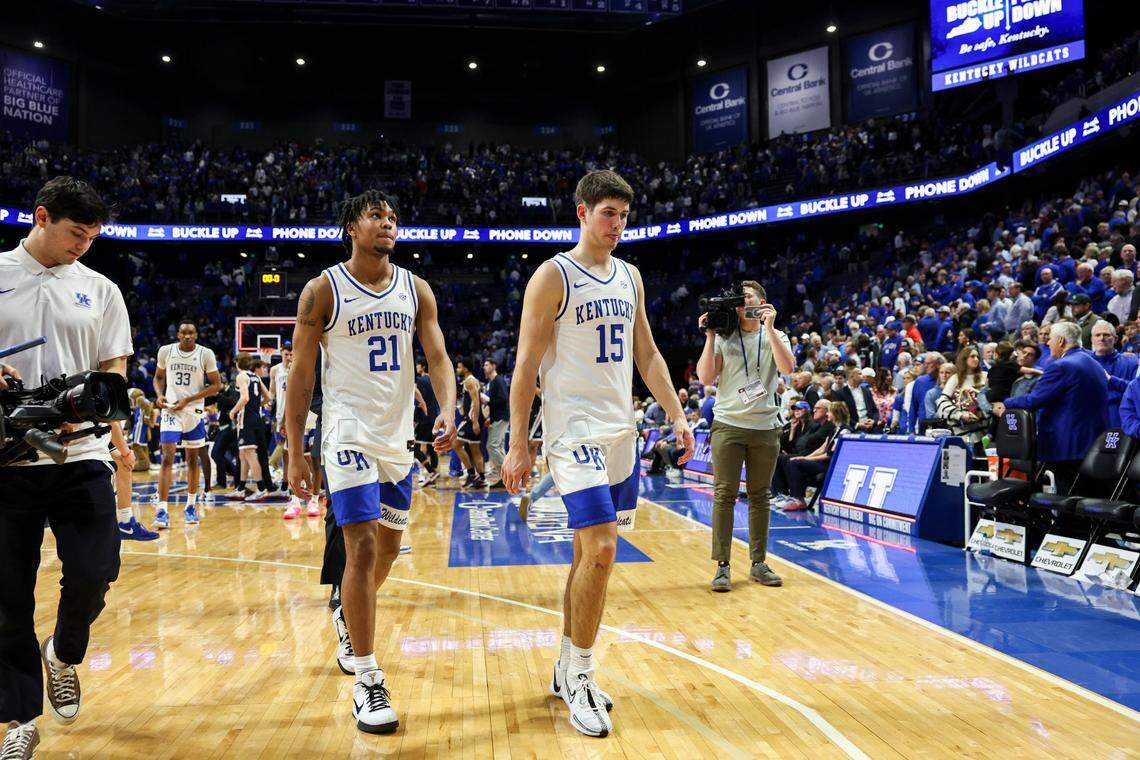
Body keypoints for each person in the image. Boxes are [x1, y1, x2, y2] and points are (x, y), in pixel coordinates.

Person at [500, 170, 693, 738]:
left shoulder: (630, 276)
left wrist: (677, 414)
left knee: (590, 556)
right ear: (581, 212)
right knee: (605, 549)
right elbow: (526, 366)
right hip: (572, 433)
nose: (618, 224)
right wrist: (518, 443)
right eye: (608, 212)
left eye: (624, 215)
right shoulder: (553, 276)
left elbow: (650, 356)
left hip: (619, 434)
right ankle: (582, 672)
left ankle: (566, 665)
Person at [285, 189, 457, 735]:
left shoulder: (416, 289)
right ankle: (367, 675)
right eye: (376, 216)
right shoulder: (324, 290)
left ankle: (345, 610)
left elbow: (437, 357)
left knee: (386, 550)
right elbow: (301, 375)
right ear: (351, 227)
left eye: (393, 216)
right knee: (359, 544)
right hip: (347, 433)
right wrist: (295, 450)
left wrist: (449, 409)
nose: (387, 223)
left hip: (396, 437)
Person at [0, 177, 131, 757]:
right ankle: (20, 718)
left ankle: (64, 653)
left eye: (92, 237)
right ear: (42, 216)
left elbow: (115, 368)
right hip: (8, 458)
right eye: (76, 233)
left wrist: (117, 434)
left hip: (82, 453)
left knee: (96, 568)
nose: (84, 245)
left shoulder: (100, 289)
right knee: (7, 595)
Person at [694, 278, 794, 591]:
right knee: (724, 494)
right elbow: (707, 377)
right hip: (728, 424)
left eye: (748, 296)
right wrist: (710, 336)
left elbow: (787, 368)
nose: (742, 300)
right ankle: (722, 565)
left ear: (762, 303)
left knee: (760, 497)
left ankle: (758, 563)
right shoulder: (724, 337)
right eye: (740, 297)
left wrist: (770, 329)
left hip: (765, 426)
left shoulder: (776, 335)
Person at [992, 321, 1109, 493]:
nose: (1047, 343)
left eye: (1051, 339)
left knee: (1068, 501)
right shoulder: (1093, 363)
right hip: (1091, 444)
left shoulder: (1062, 366)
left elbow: (1035, 400)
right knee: (1086, 498)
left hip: (1067, 447)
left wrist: (1006, 403)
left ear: (1061, 341)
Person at [151, 321, 222, 529]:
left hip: (194, 412)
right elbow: (158, 378)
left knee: (193, 460)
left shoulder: (205, 354)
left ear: (196, 335)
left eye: (191, 333)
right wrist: (159, 395)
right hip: (171, 410)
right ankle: (162, 510)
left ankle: (190, 505)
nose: (187, 336)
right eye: (183, 333)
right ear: (178, 334)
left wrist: (189, 400)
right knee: (166, 458)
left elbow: (217, 386)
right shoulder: (165, 351)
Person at [782, 401, 852, 510]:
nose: (827, 414)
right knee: (793, 461)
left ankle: (799, 500)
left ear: (835, 413)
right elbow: (823, 448)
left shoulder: (845, 431)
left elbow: (830, 455)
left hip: (831, 466)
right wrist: (805, 458)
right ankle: (796, 498)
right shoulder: (835, 429)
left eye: (829, 412)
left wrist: (807, 459)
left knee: (795, 464)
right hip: (823, 462)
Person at [229, 352, 272, 501]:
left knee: (250, 455)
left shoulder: (242, 376)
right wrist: (256, 405)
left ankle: (261, 488)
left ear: (237, 364)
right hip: (257, 419)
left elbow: (245, 398)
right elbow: (269, 398)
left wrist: (233, 411)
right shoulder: (256, 377)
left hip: (246, 420)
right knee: (243, 455)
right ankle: (240, 488)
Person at [1090, 319, 1139, 428]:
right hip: (1090, 419)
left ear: (1116, 339)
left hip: (1119, 420)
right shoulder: (1084, 363)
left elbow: (1136, 391)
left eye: (1106, 335)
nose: (1102, 338)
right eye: (1097, 335)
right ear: (1092, 339)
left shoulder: (1131, 362)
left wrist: (1112, 380)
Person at [454, 358, 486, 488]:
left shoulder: (470, 381)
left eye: (459, 367)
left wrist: (475, 421)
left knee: (456, 444)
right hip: (474, 418)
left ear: (465, 368)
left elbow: (476, 401)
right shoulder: (470, 381)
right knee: (475, 450)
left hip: (472, 419)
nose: (457, 369)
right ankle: (481, 478)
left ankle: (472, 474)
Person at [483, 358, 510, 488]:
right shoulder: (493, 382)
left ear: (494, 366)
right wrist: (490, 417)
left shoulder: (498, 380)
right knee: (498, 447)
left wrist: (488, 401)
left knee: (492, 446)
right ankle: (505, 478)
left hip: (501, 417)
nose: (484, 367)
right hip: (497, 417)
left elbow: (503, 399)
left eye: (487, 365)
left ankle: (508, 472)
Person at [835, 368, 878, 433]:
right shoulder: (840, 393)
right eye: (859, 374)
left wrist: (873, 421)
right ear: (851, 376)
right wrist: (857, 425)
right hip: (853, 428)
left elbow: (875, 410)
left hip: (871, 426)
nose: (863, 376)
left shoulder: (866, 391)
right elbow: (841, 415)